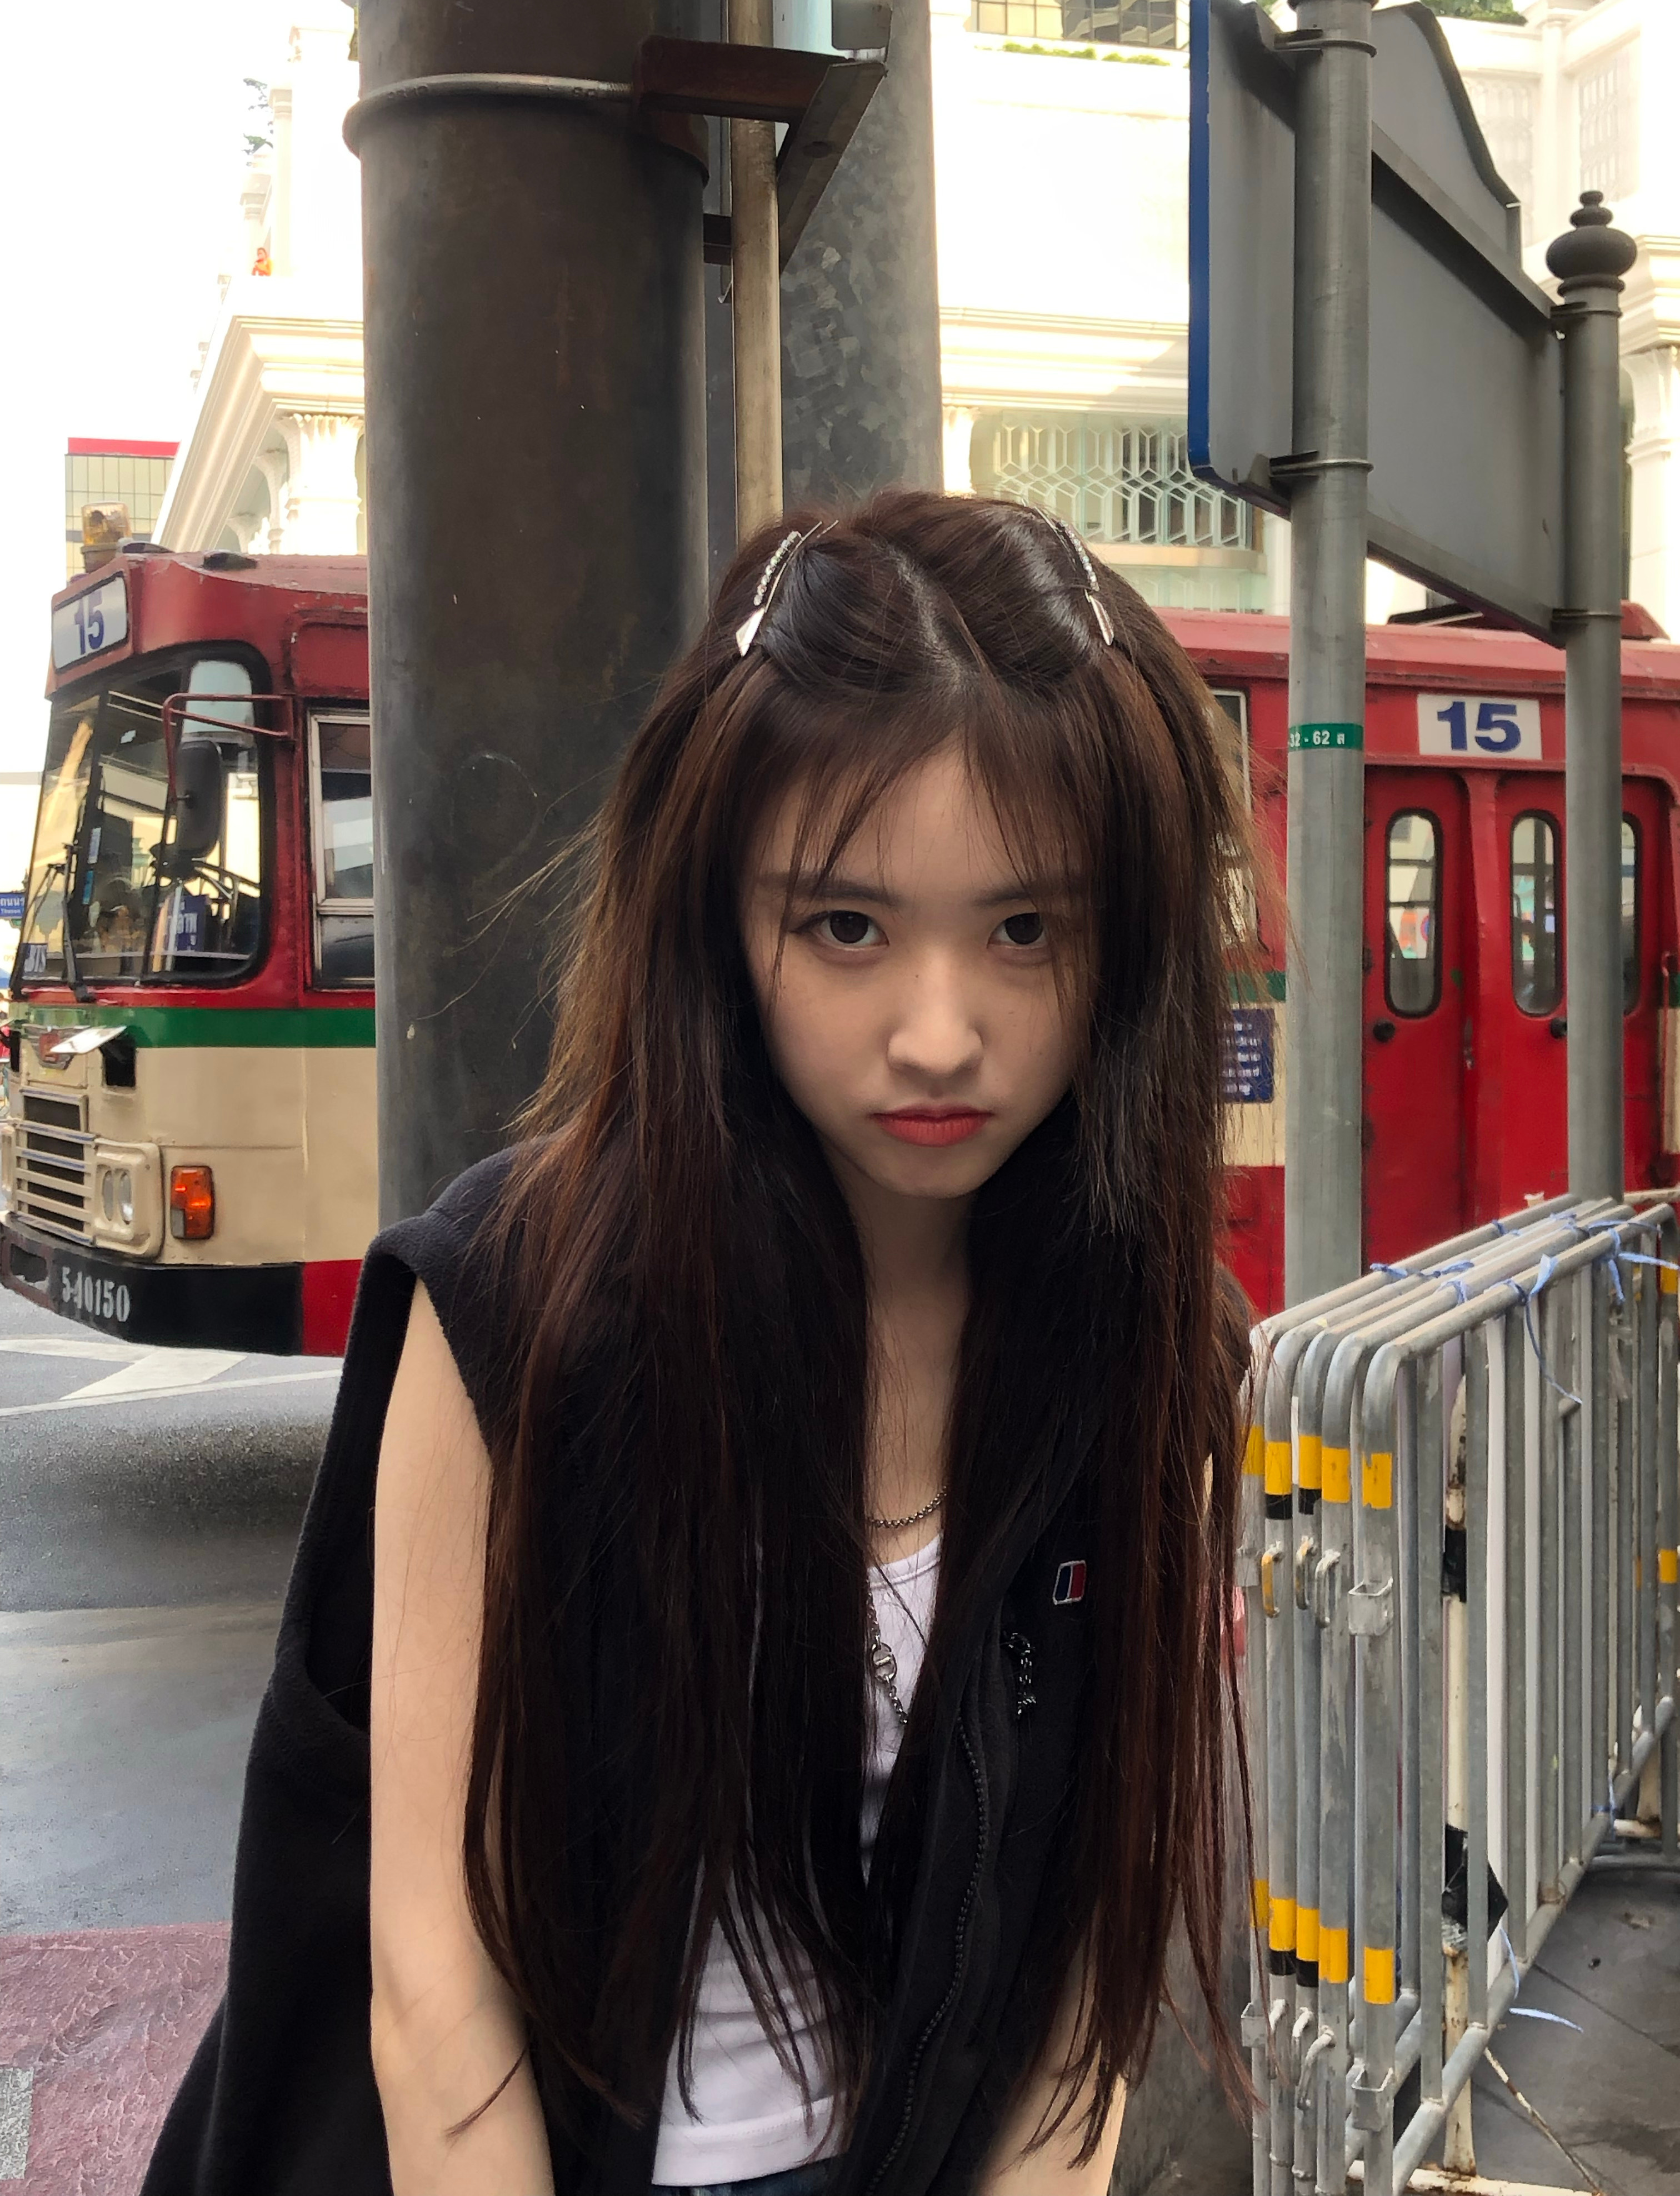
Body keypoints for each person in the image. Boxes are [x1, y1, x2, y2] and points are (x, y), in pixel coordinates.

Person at [142, 490, 1254, 2196]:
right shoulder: (511, 1302)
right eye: (847, 927)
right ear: (721, 919)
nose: (939, 1033)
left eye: (1026, 929)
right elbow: (436, 1994)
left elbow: (1073, 2014)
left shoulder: (1150, 1354)